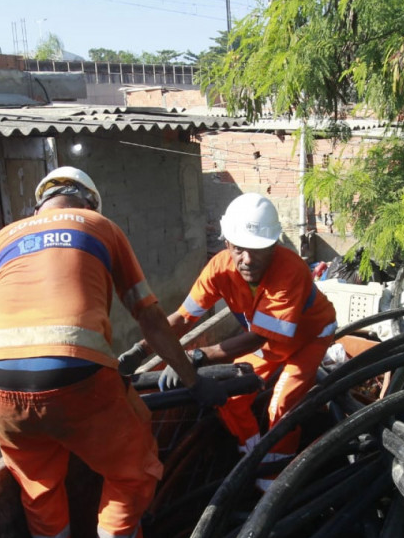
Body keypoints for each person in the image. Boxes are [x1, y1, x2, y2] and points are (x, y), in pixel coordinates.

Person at [0, 166, 226, 538]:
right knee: (132, 471)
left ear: (41, 203)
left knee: (39, 491)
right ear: (88, 201)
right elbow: (150, 318)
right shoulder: (100, 227)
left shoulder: (3, 239)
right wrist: (194, 382)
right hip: (75, 372)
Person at [118, 193, 337, 492]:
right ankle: (252, 454)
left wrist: (196, 356)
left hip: (310, 336)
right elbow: (183, 318)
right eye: (239, 249)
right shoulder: (219, 269)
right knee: (231, 398)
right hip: (269, 343)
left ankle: (276, 476)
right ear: (226, 244)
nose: (248, 259)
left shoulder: (290, 270)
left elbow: (259, 337)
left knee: (282, 405)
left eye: (258, 249)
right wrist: (141, 349)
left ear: (274, 245)